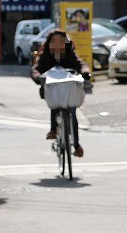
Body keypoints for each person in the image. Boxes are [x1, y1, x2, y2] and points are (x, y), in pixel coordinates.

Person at [31, 28, 90, 157]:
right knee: (55, 105)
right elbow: (37, 68)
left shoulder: (69, 54)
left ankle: (76, 145)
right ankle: (53, 130)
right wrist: (37, 77)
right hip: (53, 89)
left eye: (61, 41)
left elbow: (80, 64)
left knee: (72, 113)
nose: (58, 45)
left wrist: (85, 73)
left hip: (69, 90)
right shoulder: (46, 55)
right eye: (54, 42)